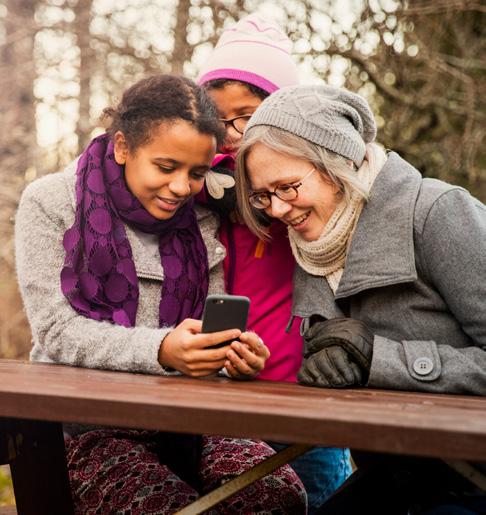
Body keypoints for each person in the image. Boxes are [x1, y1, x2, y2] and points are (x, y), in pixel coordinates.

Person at [15, 74, 306, 514]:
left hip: (194, 418)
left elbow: (209, 327)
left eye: (197, 174)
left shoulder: (200, 218)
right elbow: (56, 330)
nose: (180, 189)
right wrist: (163, 349)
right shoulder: (51, 202)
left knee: (275, 495)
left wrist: (232, 356)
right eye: (166, 168)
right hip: (92, 426)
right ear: (123, 147)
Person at [235, 83, 486, 513]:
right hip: (393, 477)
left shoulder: (438, 213)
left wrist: (379, 358)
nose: (276, 211)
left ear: (337, 164)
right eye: (262, 196)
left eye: (287, 187)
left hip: (472, 482)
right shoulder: (314, 242)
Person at [198, 14, 352, 512]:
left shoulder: (307, 192)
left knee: (322, 498)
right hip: (233, 402)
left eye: (245, 115)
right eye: (217, 119)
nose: (230, 134)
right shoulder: (203, 192)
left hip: (309, 401)